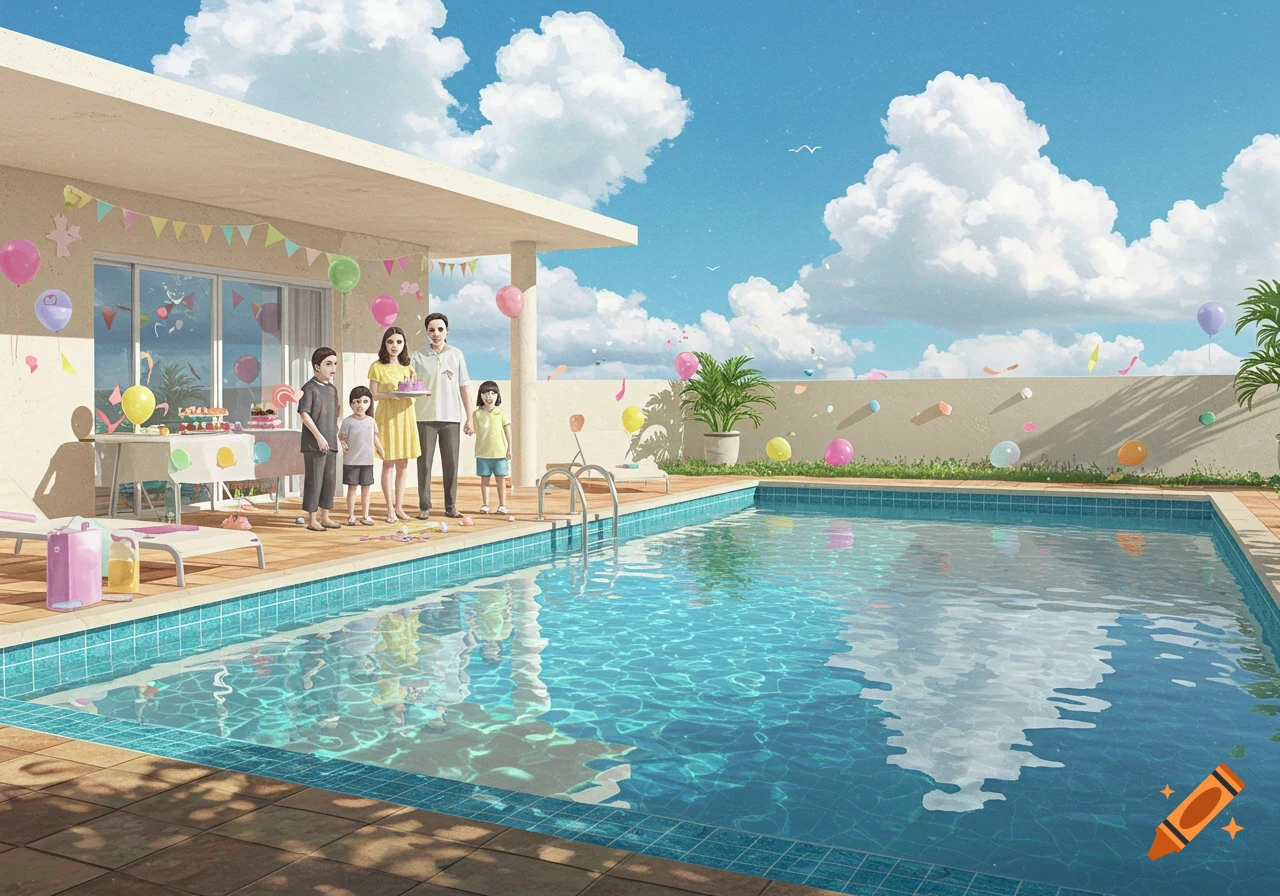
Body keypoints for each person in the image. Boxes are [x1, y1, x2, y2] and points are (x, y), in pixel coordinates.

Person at [411, 312, 471, 519]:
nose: (435, 334)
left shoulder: (456, 355)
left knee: (451, 464)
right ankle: (424, 506)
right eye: (431, 330)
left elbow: (463, 387)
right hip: (424, 417)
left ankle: (451, 506)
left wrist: (469, 417)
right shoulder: (418, 356)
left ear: (447, 331)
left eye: (439, 329)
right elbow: (410, 383)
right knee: (424, 464)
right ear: (427, 332)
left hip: (451, 417)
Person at [368, 326, 422, 524]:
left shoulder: (408, 367)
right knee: (388, 462)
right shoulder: (377, 366)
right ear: (385, 343)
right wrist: (390, 395)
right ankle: (389, 508)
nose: (394, 346)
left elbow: (414, 388)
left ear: (404, 344)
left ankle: (400, 507)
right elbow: (371, 395)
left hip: (406, 414)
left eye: (399, 342)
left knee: (403, 463)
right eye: (390, 342)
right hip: (387, 415)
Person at [298, 347, 341, 532]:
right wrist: (319, 437)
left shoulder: (332, 389)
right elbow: (304, 414)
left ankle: (325, 516)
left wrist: (338, 437)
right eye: (328, 363)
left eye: (335, 364)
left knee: (329, 480)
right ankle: (312, 518)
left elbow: (334, 416)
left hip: (331, 441)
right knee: (314, 480)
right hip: (314, 444)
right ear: (317, 366)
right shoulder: (309, 388)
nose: (333, 368)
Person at [338, 385, 384, 526]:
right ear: (351, 403)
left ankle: (365, 515)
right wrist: (343, 444)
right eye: (357, 401)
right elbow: (341, 437)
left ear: (370, 403)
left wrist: (381, 449)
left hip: (367, 461)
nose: (360, 405)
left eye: (364, 401)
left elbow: (375, 438)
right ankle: (351, 516)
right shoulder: (348, 421)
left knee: (366, 489)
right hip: (351, 461)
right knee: (352, 488)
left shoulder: (371, 421)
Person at [471, 380, 512, 515]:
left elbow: (507, 431)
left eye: (492, 393)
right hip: (482, 453)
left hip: (499, 453)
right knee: (485, 480)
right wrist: (469, 429)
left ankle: (502, 505)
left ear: (497, 396)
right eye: (485, 393)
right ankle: (485, 504)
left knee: (501, 480)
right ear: (480, 396)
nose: (489, 396)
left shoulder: (501, 413)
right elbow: (473, 429)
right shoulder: (476, 414)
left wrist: (509, 448)